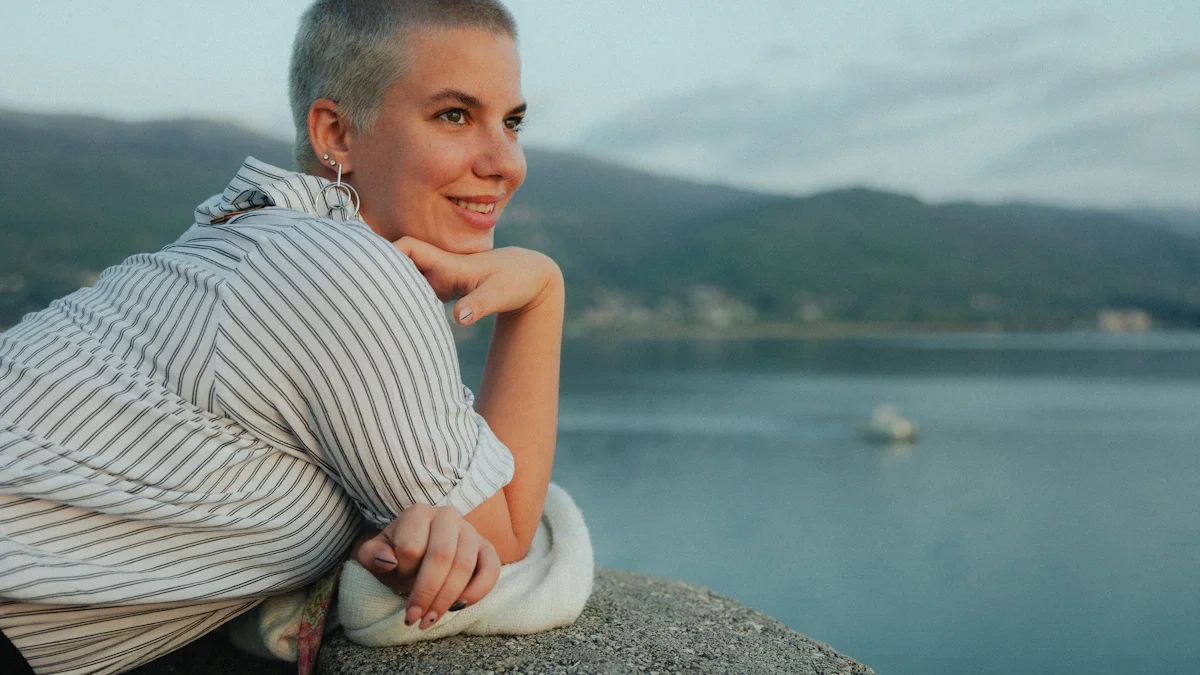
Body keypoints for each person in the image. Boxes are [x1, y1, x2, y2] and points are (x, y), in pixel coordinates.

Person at [0, 0, 563, 673]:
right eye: (454, 115)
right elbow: (500, 537)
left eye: (513, 122)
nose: (506, 162)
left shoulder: (255, 235)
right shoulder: (344, 270)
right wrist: (542, 296)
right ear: (337, 133)